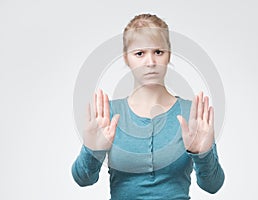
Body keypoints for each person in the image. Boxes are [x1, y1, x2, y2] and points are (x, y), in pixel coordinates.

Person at [72, 13, 225, 200]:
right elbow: (83, 179)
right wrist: (92, 151)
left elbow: (213, 185)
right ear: (126, 58)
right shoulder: (108, 115)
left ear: (169, 55)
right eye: (139, 54)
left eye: (158, 52)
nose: (150, 62)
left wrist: (203, 154)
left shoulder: (192, 114)